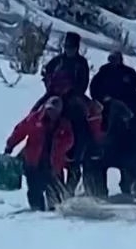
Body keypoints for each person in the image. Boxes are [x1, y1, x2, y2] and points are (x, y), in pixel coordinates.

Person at [5, 96, 75, 211]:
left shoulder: (64, 124)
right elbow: (20, 131)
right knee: (34, 190)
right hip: (33, 162)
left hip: (54, 165)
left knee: (54, 191)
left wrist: (60, 146)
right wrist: (10, 145)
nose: (50, 113)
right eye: (49, 110)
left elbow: (70, 140)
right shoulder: (34, 119)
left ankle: (54, 213)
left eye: (53, 111)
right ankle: (37, 212)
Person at [33, 31, 93, 160]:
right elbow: (47, 73)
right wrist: (50, 84)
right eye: (67, 47)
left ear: (77, 48)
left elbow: (84, 82)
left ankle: (76, 156)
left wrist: (72, 90)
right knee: (35, 113)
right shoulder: (57, 61)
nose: (69, 50)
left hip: (73, 97)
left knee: (81, 122)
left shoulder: (81, 63)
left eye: (71, 48)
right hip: (53, 94)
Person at [90, 51, 136, 116]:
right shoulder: (104, 70)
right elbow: (94, 86)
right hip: (107, 99)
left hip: (125, 98)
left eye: (116, 59)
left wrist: (130, 80)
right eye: (112, 59)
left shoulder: (128, 71)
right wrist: (98, 98)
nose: (114, 61)